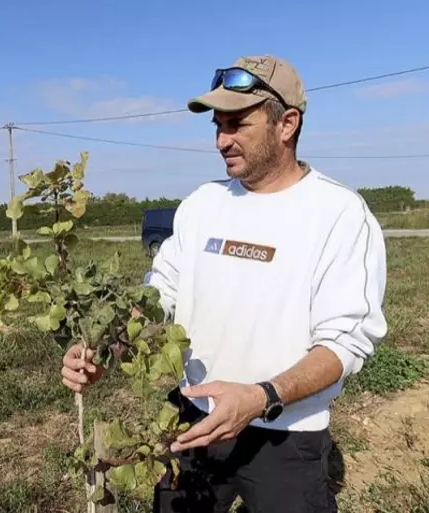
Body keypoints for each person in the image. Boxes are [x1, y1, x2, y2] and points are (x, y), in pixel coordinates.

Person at [61, 54, 388, 512]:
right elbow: (159, 297)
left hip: (286, 437)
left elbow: (345, 343)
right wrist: (107, 349)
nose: (221, 140)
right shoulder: (201, 204)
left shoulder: (338, 214)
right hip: (194, 423)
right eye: (218, 125)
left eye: (236, 124)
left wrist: (261, 397)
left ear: (287, 123)